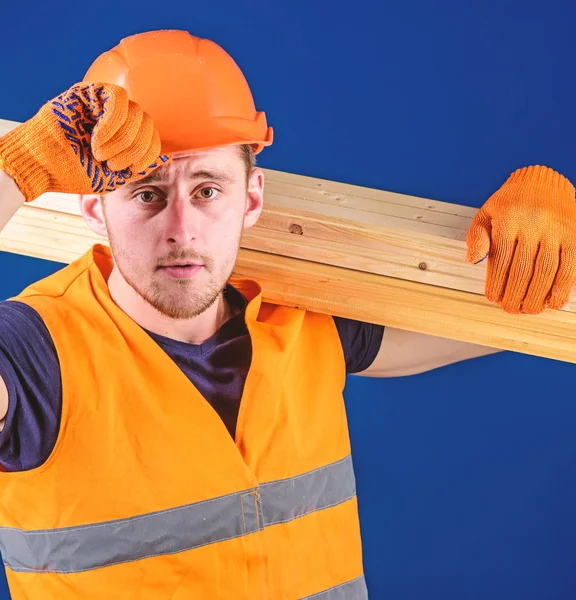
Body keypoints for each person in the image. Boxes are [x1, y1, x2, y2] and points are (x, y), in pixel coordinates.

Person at [0, 29, 574, 600]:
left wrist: (551, 242)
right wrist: (17, 169)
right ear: (94, 208)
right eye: (147, 193)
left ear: (251, 198)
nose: (181, 229)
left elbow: (512, 312)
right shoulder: (35, 355)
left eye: (207, 191)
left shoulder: (304, 322)